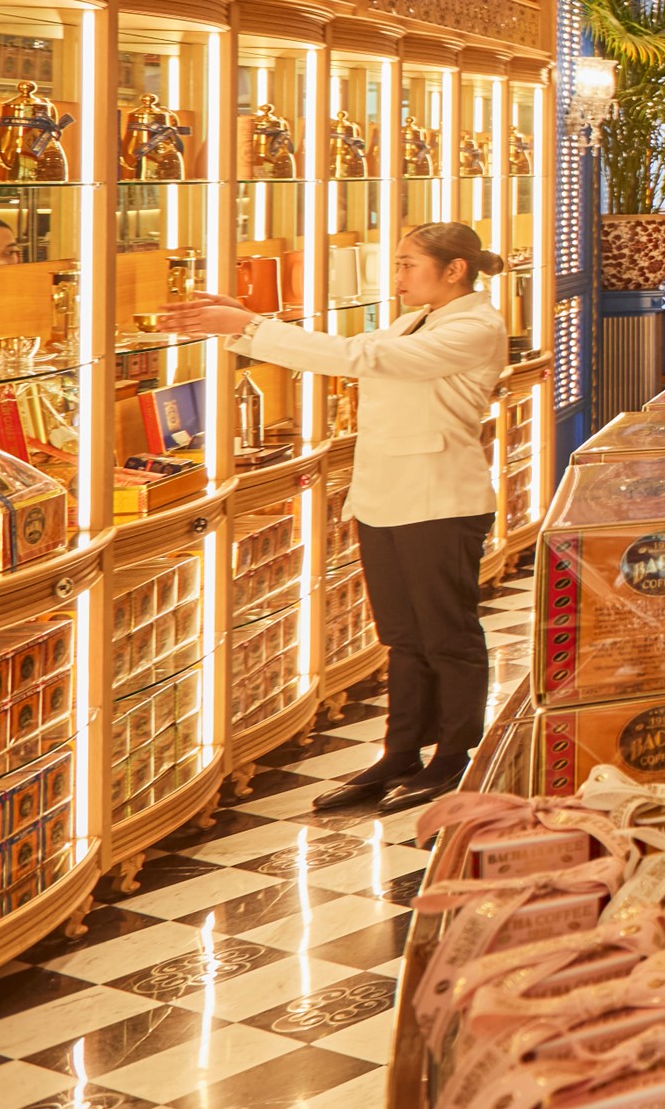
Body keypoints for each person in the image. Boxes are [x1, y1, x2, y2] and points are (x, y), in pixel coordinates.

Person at [163, 223, 511, 809]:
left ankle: (453, 757)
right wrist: (244, 319)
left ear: (454, 270)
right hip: (385, 498)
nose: (396, 276)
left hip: (439, 502)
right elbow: (358, 350)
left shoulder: (476, 326)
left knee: (446, 636)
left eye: (407, 265)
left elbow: (360, 356)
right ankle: (402, 751)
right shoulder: (417, 319)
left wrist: (249, 327)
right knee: (402, 637)